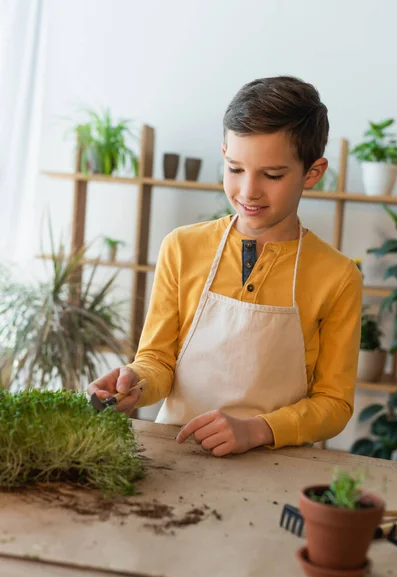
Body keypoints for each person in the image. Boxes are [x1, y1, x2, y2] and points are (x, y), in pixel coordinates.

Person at [88, 76, 362, 457]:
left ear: (312, 173)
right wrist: (134, 383)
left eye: (272, 175)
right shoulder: (182, 248)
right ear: (224, 155)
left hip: (275, 468)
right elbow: (158, 360)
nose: (248, 190)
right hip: (175, 457)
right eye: (235, 168)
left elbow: (334, 403)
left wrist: (259, 430)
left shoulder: (338, 275)